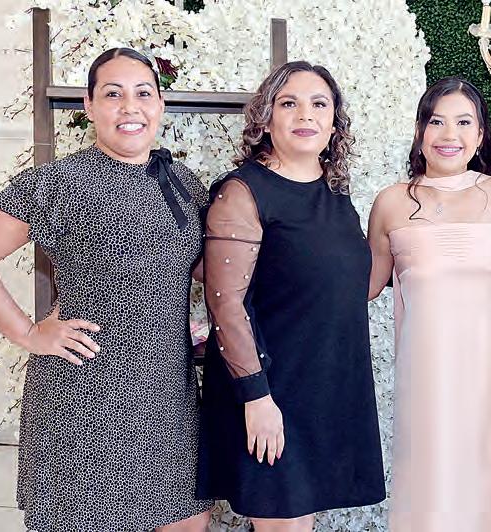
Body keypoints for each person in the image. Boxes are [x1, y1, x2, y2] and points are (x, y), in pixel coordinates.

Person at [0, 48, 213, 532]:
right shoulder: (56, 182)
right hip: (85, 393)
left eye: (142, 93)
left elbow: (195, 269)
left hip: (168, 391)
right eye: (113, 94)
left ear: (160, 104)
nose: (130, 107)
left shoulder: (184, 183)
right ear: (88, 105)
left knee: (187, 521)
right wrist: (27, 332)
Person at [196, 61, 386, 532]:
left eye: (319, 104)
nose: (306, 115)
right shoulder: (243, 191)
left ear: (334, 123)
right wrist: (256, 398)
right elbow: (225, 304)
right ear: (266, 119)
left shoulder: (335, 192)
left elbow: (338, 286)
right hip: (271, 388)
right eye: (289, 103)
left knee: (301, 524)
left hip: (323, 386)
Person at [367, 77, 491, 531]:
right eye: (437, 121)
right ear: (420, 131)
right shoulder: (391, 203)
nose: (449, 134)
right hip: (427, 369)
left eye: (463, 123)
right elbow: (364, 286)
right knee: (432, 477)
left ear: (480, 135)